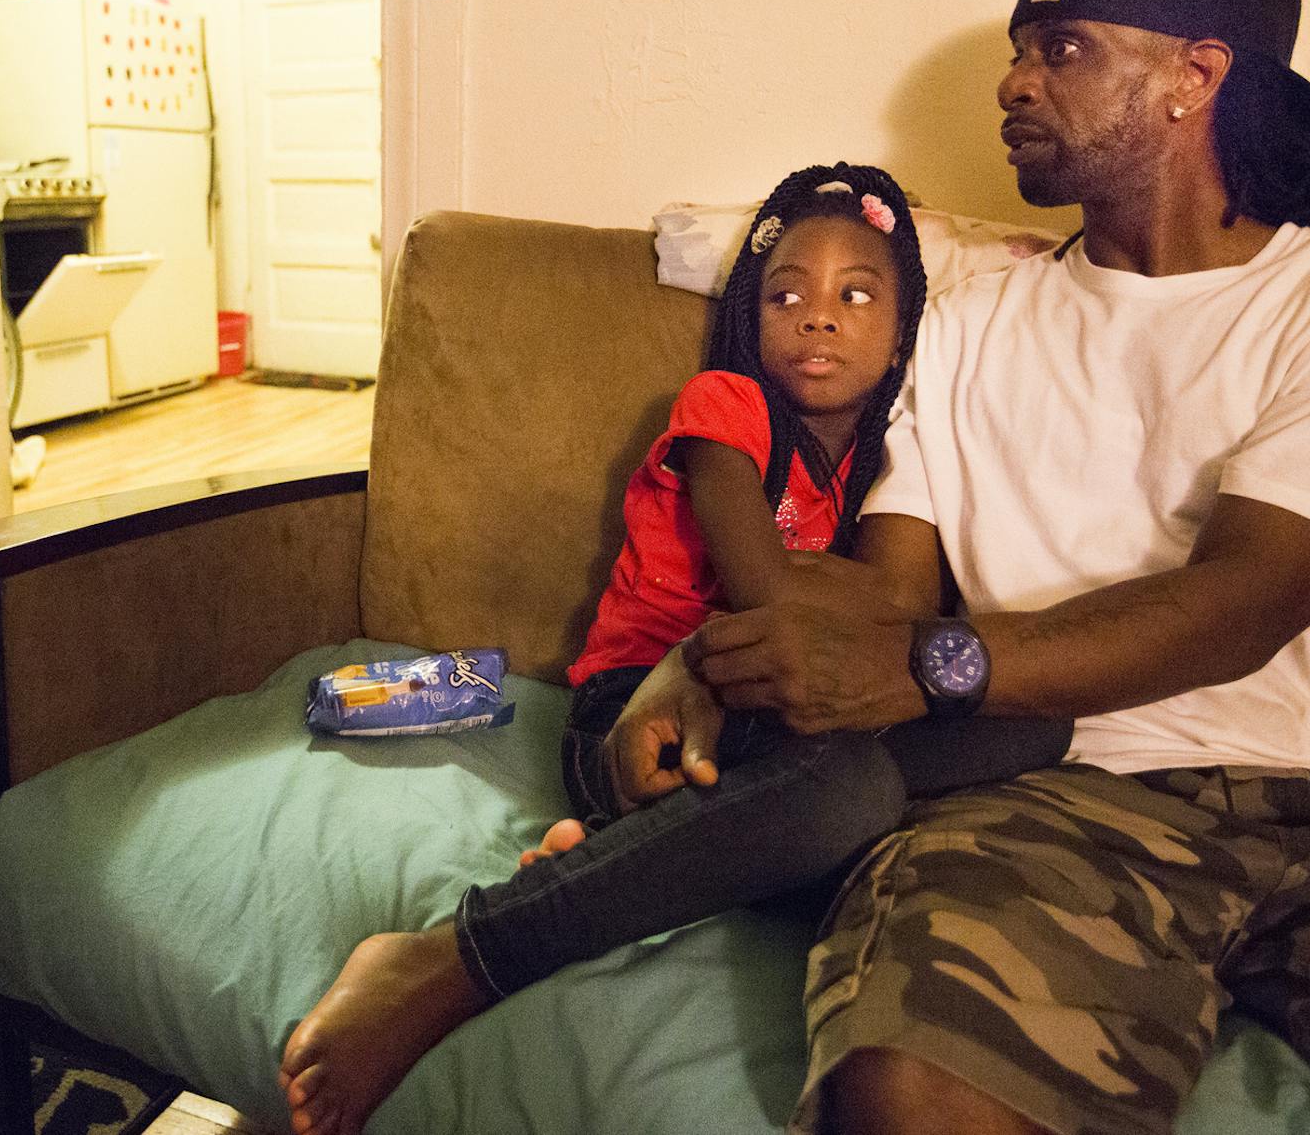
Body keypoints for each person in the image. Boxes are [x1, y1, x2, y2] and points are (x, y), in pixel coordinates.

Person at [666, 0, 1310, 1135]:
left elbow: (1245, 600)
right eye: (1020, 49)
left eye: (1062, 47)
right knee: (913, 1090)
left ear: (1193, 76)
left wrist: (932, 664)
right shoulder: (966, 323)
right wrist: (704, 661)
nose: (1013, 80)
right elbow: (886, 597)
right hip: (1049, 793)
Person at [277, 162, 1069, 1135]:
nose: (819, 317)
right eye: (788, 294)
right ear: (751, 313)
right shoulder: (724, 407)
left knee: (1031, 722)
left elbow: (892, 636)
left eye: (857, 294)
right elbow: (768, 595)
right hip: (643, 710)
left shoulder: (896, 453)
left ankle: (659, 853)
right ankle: (460, 950)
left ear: (906, 323)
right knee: (852, 791)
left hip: (785, 710)